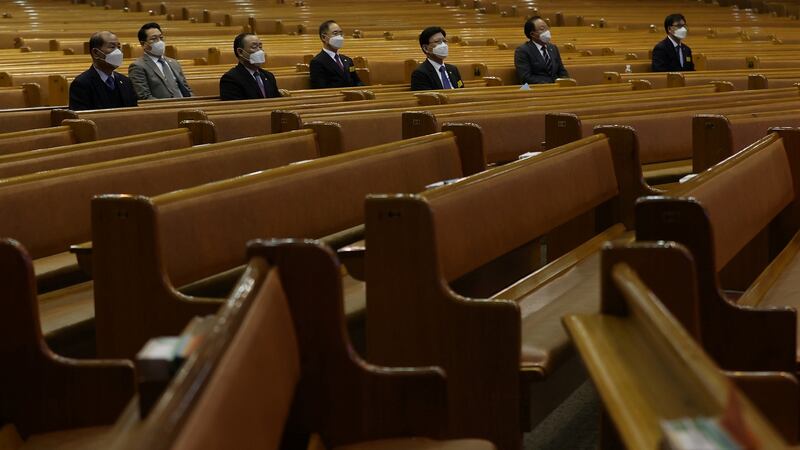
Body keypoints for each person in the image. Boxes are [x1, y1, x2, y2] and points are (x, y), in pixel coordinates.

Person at [69, 31, 138, 110]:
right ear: (96, 53)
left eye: (119, 47)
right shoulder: (82, 84)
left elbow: (134, 112)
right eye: (112, 47)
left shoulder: (126, 81)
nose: (118, 52)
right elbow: (82, 118)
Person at [128, 22, 192, 100]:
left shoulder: (174, 63)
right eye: (154, 39)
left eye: (161, 38)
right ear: (143, 44)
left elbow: (187, 90)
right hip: (164, 108)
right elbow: (144, 96)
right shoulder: (138, 66)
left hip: (185, 104)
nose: (159, 42)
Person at [219, 33, 279, 100]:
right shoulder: (230, 79)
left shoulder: (269, 76)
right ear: (240, 52)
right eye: (254, 47)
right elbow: (235, 107)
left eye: (260, 47)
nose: (260, 51)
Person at [514, 16, 569, 85]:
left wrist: (566, 82)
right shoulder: (523, 51)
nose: (547, 31)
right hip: (535, 88)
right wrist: (551, 83)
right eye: (542, 29)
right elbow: (526, 77)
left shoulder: (553, 48)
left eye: (547, 28)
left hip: (556, 86)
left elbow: (562, 71)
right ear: (532, 34)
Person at [309, 20, 363, 89]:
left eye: (340, 33)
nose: (339, 37)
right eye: (335, 33)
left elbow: (357, 81)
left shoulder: (347, 60)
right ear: (324, 37)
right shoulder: (317, 62)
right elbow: (321, 88)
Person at [410, 26, 464, 91]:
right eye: (438, 41)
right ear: (425, 48)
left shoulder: (453, 69)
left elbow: (461, 89)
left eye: (444, 41)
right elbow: (427, 99)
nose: (443, 45)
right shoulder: (420, 73)